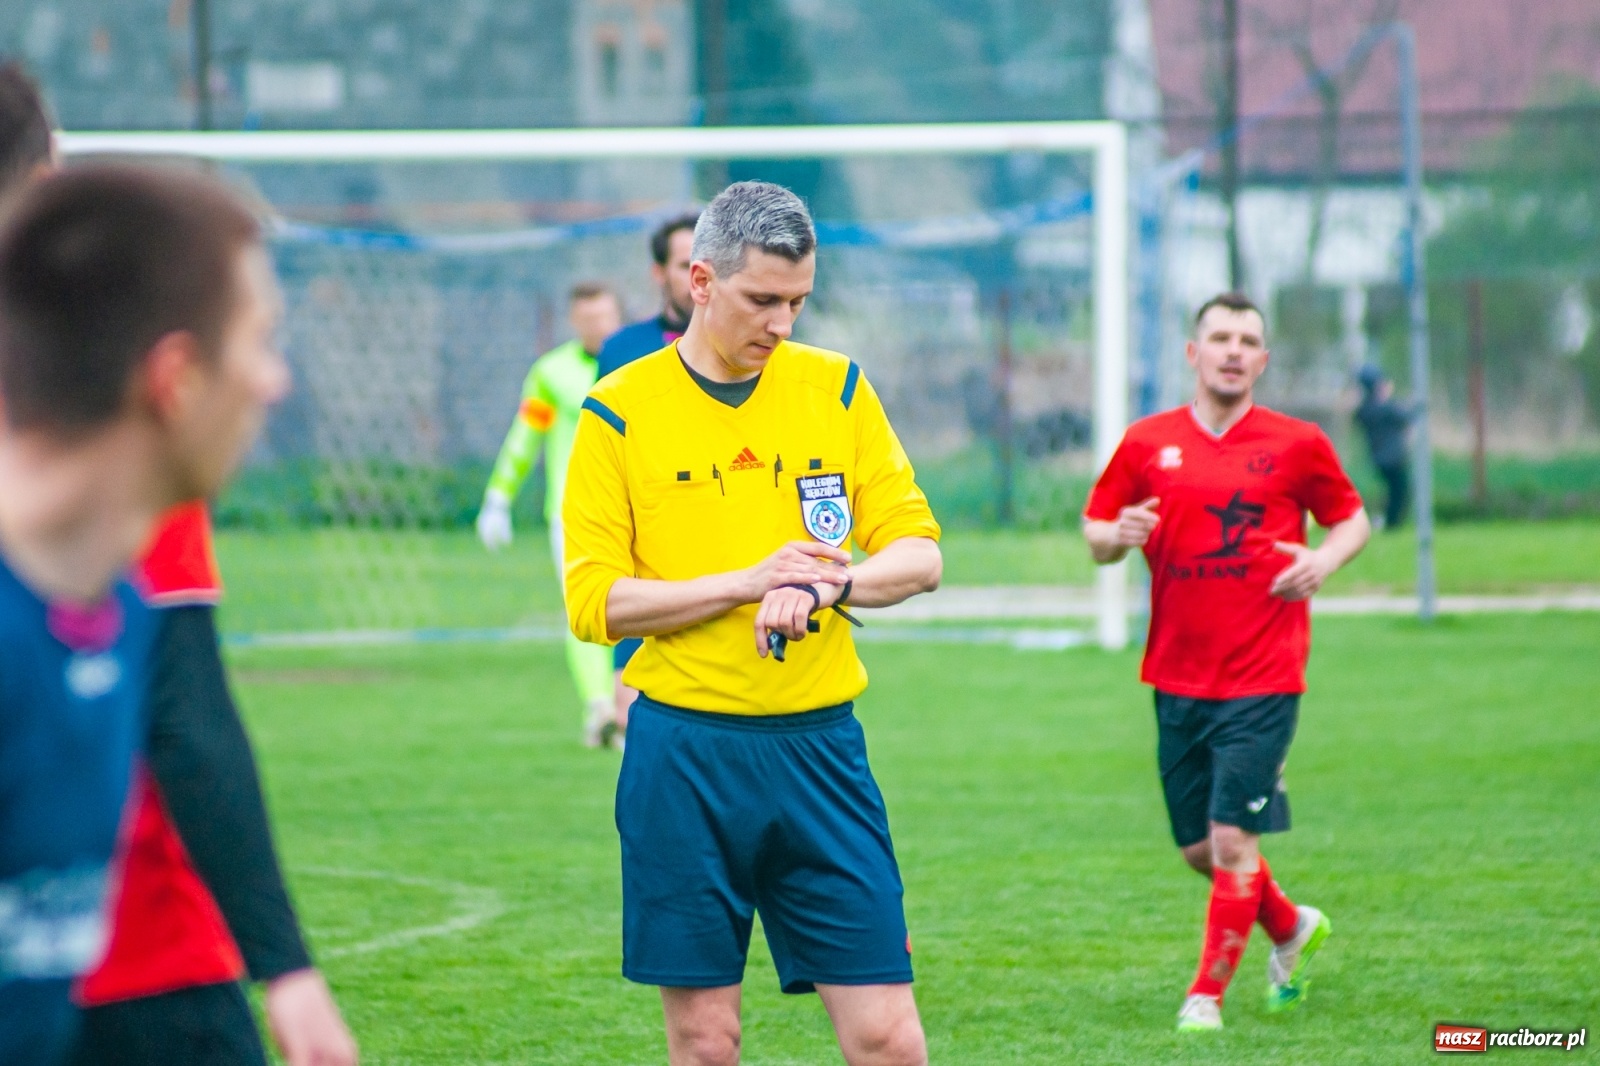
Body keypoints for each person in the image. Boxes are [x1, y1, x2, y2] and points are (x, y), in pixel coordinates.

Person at [0, 63, 356, 1066]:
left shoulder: (111, 604)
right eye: (260, 342)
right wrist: (285, 965)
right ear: (171, 378)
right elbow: (191, 722)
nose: (277, 381)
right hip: (155, 971)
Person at [563, 182, 942, 1066]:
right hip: (683, 757)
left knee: (888, 1037)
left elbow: (919, 554)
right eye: (762, 299)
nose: (783, 322)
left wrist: (827, 588)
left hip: (820, 755)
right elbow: (595, 603)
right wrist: (748, 582)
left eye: (799, 301)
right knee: (706, 1041)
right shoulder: (617, 411)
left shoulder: (838, 389)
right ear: (699, 280)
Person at [1081, 292, 1371, 1032]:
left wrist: (1323, 560)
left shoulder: (1298, 442)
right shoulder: (1148, 442)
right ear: (1193, 352)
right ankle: (1292, 929)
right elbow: (1096, 531)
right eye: (1220, 337)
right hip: (1176, 676)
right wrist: (1122, 534)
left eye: (1248, 340)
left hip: (1265, 676)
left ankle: (1204, 998)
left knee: (1235, 841)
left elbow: (1352, 517)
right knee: (1197, 850)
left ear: (1263, 361)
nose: (1234, 350)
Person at [477, 282, 624, 746]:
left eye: (604, 317)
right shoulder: (551, 373)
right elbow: (526, 437)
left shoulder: (640, 363)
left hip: (635, 509)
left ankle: (633, 708)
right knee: (583, 609)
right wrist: (498, 497)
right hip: (572, 514)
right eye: (587, 319)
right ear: (573, 321)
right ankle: (600, 707)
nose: (597, 326)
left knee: (642, 606)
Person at [594, 211, 698, 730]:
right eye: (684, 264)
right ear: (660, 273)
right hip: (645, 563)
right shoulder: (623, 352)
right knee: (636, 719)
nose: (699, 276)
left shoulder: (765, 350)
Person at [1353, 363, 1415, 531]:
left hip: (1379, 458)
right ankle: (1391, 524)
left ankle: (1388, 522)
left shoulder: (1365, 409)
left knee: (1395, 491)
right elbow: (1406, 416)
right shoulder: (1383, 408)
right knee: (1399, 492)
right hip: (1392, 459)